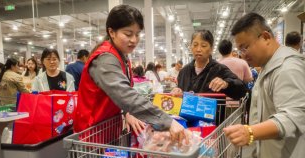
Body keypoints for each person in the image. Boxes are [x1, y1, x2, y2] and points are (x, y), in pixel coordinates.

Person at [75, 4, 188, 143]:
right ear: (111, 32)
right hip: (91, 135)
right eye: (128, 34)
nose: (134, 40)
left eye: (137, 34)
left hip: (106, 131)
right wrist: (167, 122)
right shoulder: (105, 59)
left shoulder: (120, 55)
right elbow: (125, 95)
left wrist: (127, 112)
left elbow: (119, 94)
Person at [223, 12, 305, 158]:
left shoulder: (287, 68)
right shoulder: (267, 67)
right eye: (240, 49)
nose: (243, 54)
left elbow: (293, 117)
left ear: (266, 37)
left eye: (245, 47)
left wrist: (250, 132)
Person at [171, 30, 247, 100]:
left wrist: (226, 83)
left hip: (212, 114)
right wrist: (177, 91)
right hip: (185, 114)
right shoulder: (184, 71)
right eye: (195, 45)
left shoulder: (219, 69)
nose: (198, 49)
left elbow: (242, 90)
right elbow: (180, 93)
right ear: (191, 47)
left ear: (211, 49)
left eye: (203, 46)